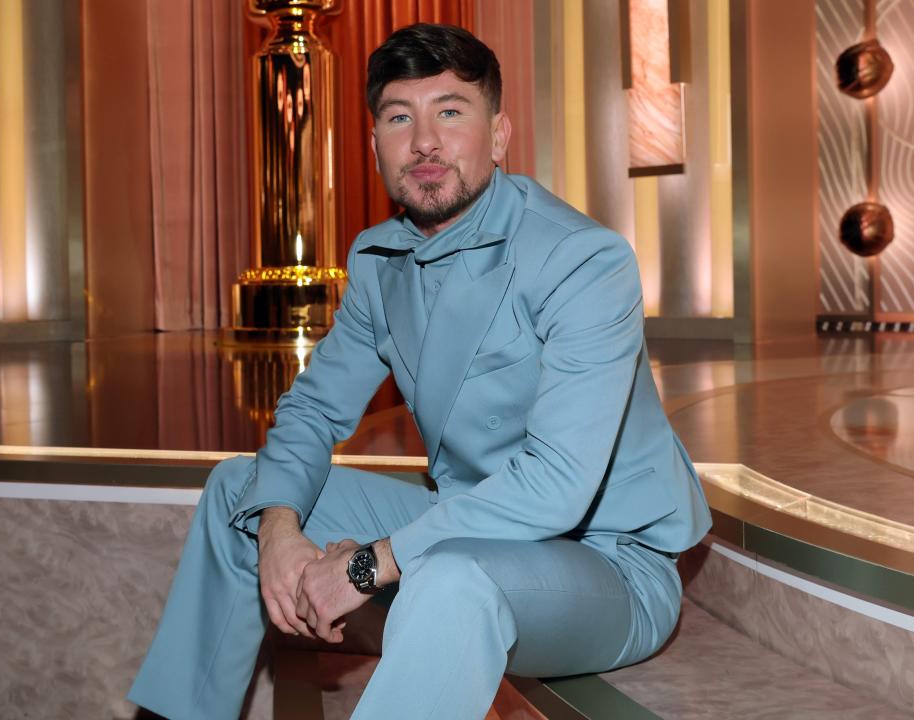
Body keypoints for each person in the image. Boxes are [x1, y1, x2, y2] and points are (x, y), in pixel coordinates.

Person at [128, 22, 712, 720]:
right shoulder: (379, 259)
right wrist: (281, 530)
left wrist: (367, 563)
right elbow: (314, 412)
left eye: (451, 112)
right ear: (375, 143)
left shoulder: (583, 260)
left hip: (606, 562)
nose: (425, 141)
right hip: (464, 524)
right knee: (239, 494)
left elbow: (556, 485)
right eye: (400, 117)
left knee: (449, 580)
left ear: (499, 136)